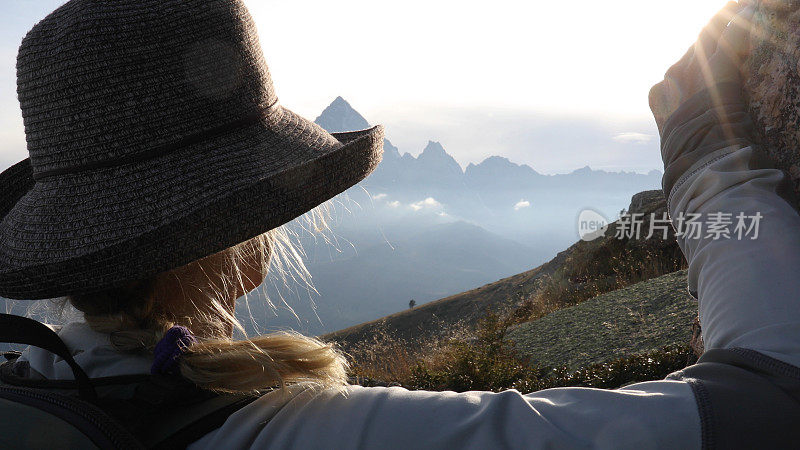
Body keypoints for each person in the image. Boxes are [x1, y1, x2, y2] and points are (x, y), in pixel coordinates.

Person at [0, 0, 798, 448]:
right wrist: (705, 156)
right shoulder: (311, 435)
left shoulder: (30, 386)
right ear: (240, 233)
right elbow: (772, 401)